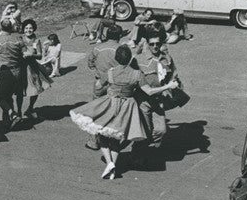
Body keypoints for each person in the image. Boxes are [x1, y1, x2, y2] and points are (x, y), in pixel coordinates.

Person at [70, 44, 177, 179]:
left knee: (102, 134)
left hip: (110, 103)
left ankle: (109, 163)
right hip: (127, 106)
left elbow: (98, 87)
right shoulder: (136, 74)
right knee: (116, 137)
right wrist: (168, 86)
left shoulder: (110, 72)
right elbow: (149, 91)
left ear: (117, 58)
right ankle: (112, 167)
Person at [134, 33, 183, 167]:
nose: (155, 46)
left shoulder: (166, 59)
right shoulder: (139, 59)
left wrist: (174, 83)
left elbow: (174, 73)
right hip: (143, 100)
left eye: (158, 44)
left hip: (158, 100)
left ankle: (144, 145)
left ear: (162, 44)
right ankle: (139, 154)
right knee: (144, 130)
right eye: (152, 44)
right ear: (147, 45)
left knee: (161, 130)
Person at [0, 18, 27, 129]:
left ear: (1, 27)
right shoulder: (18, 39)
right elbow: (25, 53)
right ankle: (8, 120)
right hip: (18, 71)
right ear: (11, 27)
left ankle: (13, 115)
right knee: (9, 96)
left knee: (0, 98)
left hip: (5, 71)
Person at [21, 18, 52, 120]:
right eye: (26, 28)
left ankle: (30, 108)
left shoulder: (36, 40)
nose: (28, 30)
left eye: (30, 28)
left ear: (33, 29)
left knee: (35, 89)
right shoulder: (20, 39)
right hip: (21, 67)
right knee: (20, 90)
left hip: (32, 67)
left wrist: (31, 55)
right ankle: (18, 111)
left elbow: (40, 56)